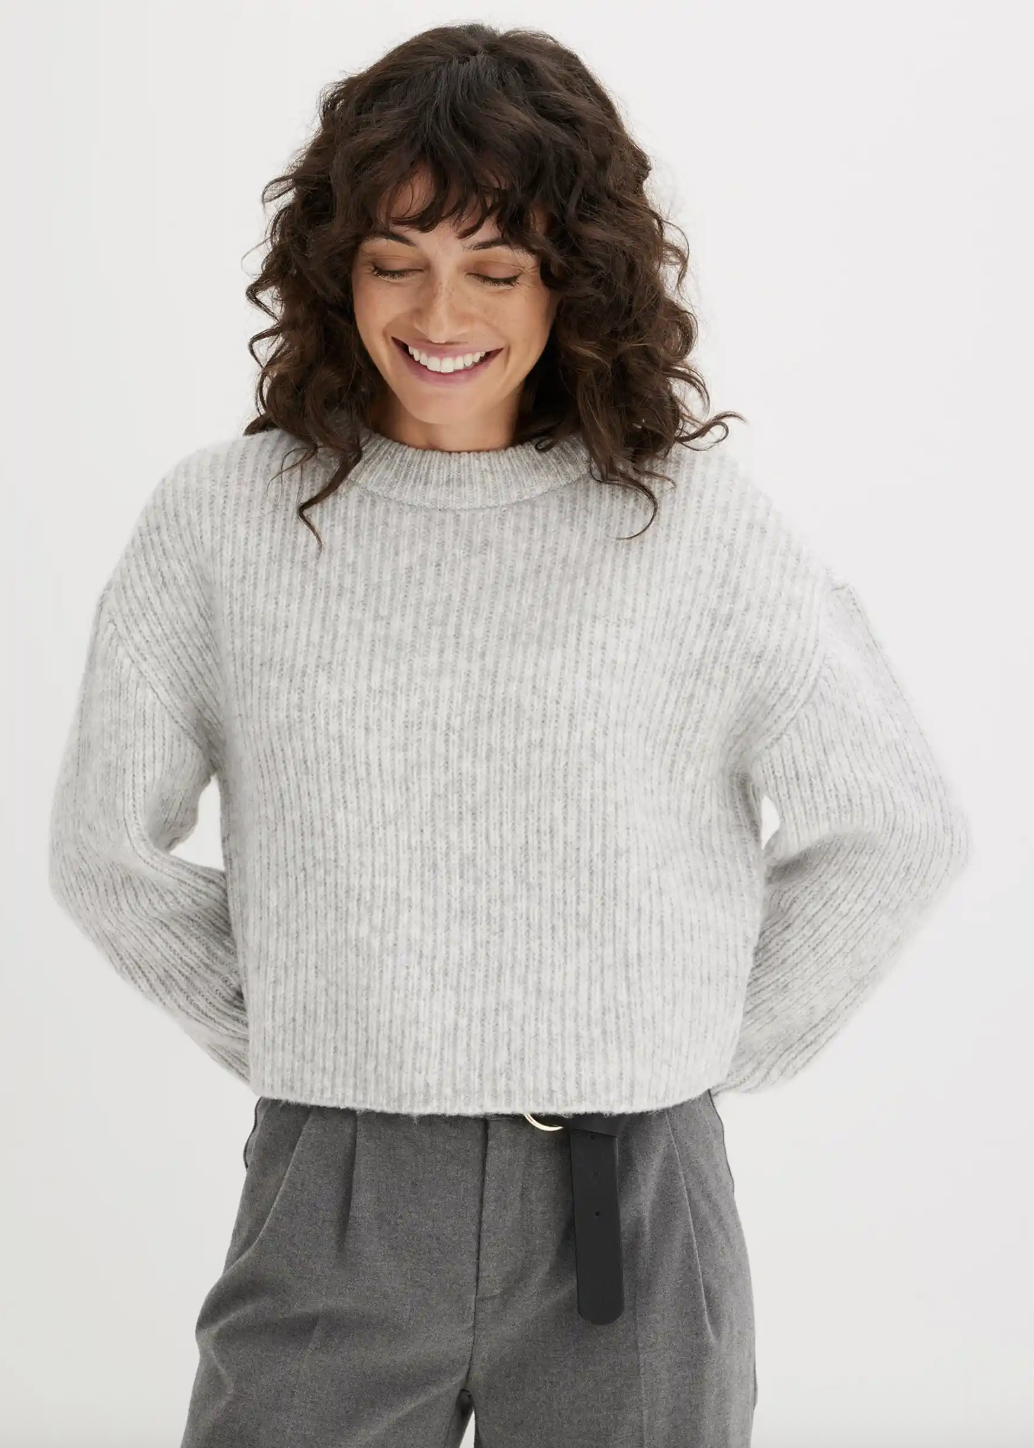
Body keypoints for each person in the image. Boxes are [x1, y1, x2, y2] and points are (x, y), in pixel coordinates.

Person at [46, 22, 972, 1448]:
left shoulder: (693, 528)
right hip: (336, 1190)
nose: (441, 310)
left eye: (497, 266)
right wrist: (305, 1021)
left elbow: (896, 825)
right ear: (335, 269)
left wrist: (692, 1039)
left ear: (572, 280)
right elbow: (105, 848)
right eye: (395, 259)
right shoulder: (221, 524)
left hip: (630, 1200)